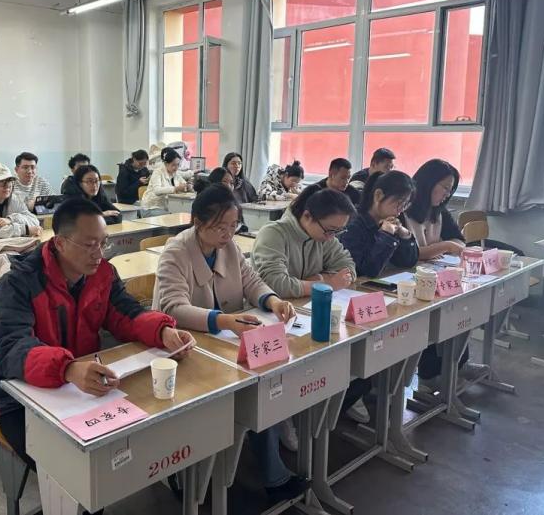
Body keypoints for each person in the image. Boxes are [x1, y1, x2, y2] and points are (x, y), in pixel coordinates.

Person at [0, 198, 193, 477]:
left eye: (103, 243)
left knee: (148, 439)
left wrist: (162, 331)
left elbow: (125, 313)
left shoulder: (102, 274)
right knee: (73, 471)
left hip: (85, 386)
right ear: (60, 243)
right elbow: (8, 348)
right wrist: (67, 368)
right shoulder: (19, 283)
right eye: (90, 245)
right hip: (19, 400)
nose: (99, 254)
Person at [152, 184, 305, 502]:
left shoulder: (229, 248)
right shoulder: (175, 252)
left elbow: (251, 281)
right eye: (220, 226)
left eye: (234, 225)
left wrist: (273, 301)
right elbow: (173, 309)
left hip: (222, 346)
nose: (228, 233)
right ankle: (187, 475)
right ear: (197, 221)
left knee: (263, 385)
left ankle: (273, 475)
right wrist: (224, 321)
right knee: (236, 398)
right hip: (183, 348)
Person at [251, 188, 368, 425]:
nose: (332, 237)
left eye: (338, 231)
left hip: (306, 317)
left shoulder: (323, 237)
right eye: (330, 230)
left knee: (343, 362)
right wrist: (325, 283)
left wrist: (317, 281)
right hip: (272, 320)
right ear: (307, 216)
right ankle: (284, 419)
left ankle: (309, 417)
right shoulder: (274, 234)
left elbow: (348, 266)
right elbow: (275, 283)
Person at [405, 159, 478, 392]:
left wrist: (444, 247)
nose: (447, 194)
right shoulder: (403, 210)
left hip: (436, 276)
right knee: (430, 320)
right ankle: (428, 376)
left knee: (458, 308)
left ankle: (458, 365)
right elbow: (409, 254)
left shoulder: (439, 212)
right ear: (428, 183)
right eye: (444, 187)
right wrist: (444, 246)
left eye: (451, 190)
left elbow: (460, 241)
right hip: (406, 280)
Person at [339, 170, 419, 277]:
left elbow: (407, 263)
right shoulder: (353, 225)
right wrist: (386, 236)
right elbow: (365, 271)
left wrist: (405, 235)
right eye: (399, 202)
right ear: (378, 195)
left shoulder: (388, 222)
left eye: (405, 205)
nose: (401, 210)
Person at [141, 148, 190, 215]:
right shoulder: (157, 172)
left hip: (166, 207)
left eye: (178, 164)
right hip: (151, 207)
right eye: (173, 165)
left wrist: (188, 187)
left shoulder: (175, 173)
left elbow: (184, 184)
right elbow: (157, 190)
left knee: (183, 214)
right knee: (172, 217)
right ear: (166, 163)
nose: (176, 167)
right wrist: (175, 188)